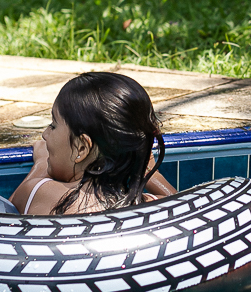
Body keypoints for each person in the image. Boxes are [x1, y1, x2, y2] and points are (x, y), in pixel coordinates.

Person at [12, 72, 176, 215]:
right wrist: (151, 175)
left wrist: (40, 167)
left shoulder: (39, 193)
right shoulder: (154, 207)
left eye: (53, 125)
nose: (45, 134)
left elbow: (2, 212)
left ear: (81, 148)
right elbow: (182, 205)